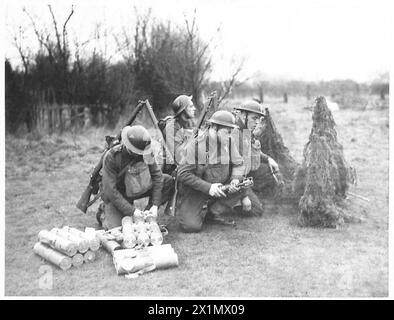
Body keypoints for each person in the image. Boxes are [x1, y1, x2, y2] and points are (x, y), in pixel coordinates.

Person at [176, 110, 257, 233]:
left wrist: (235, 180)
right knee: (191, 226)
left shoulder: (228, 141)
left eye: (231, 132)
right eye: (226, 132)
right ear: (214, 127)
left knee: (242, 185)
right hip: (198, 190)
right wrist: (209, 187)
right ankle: (190, 206)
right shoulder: (196, 145)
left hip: (222, 186)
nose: (230, 136)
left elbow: (239, 164)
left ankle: (213, 212)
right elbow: (182, 174)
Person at [98, 125, 174, 230]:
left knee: (167, 180)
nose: (140, 155)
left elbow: (157, 176)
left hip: (137, 185)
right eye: (137, 152)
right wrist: (132, 211)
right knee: (117, 228)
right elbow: (110, 190)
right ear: (127, 146)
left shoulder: (145, 151)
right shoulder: (112, 157)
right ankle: (103, 211)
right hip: (120, 193)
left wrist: (155, 205)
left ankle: (147, 214)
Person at [232, 100, 279, 215]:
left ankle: (248, 193)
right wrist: (243, 196)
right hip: (232, 180)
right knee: (255, 210)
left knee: (267, 171)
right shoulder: (234, 134)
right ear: (243, 115)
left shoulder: (245, 130)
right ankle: (231, 203)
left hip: (242, 175)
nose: (257, 122)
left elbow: (252, 150)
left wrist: (268, 159)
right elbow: (230, 171)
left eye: (259, 119)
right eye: (254, 118)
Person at [161, 95, 197, 170]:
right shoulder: (171, 128)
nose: (194, 108)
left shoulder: (189, 123)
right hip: (174, 169)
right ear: (183, 110)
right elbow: (178, 157)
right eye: (191, 106)